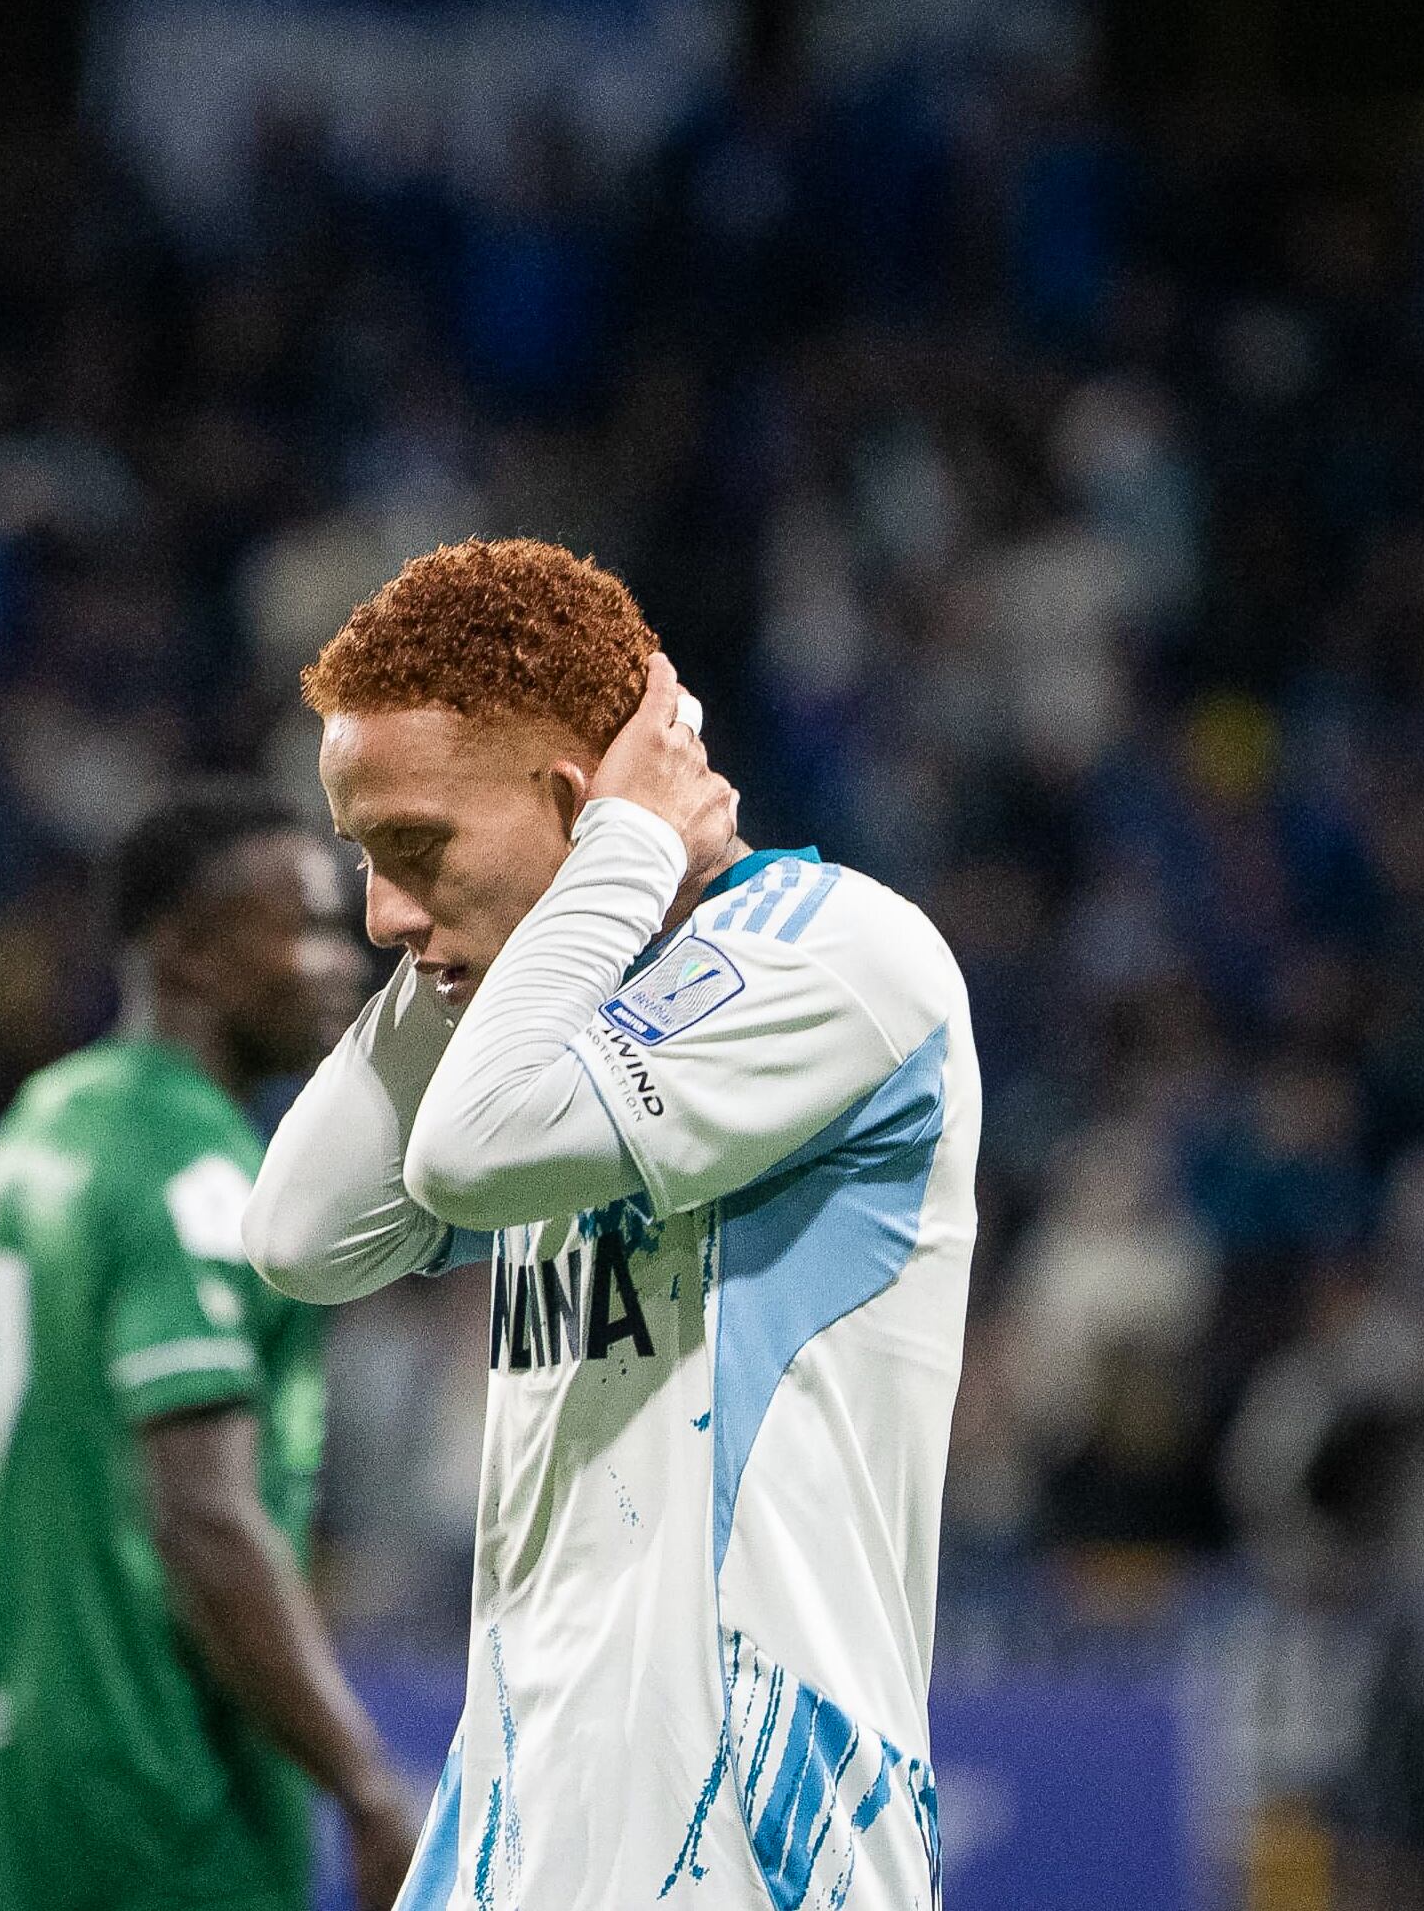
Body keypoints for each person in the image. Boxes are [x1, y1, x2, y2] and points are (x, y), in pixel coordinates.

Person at [246, 540, 977, 1910]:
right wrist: (473, 943)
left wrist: (622, 850)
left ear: (580, 802)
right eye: (361, 856)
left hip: (749, 1841)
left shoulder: (839, 955)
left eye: (416, 851)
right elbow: (299, 1234)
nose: (380, 912)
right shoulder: (542, 1017)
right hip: (521, 1828)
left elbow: (470, 1154)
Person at [0, 782, 426, 1911]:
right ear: (193, 951)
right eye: (304, 926)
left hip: (19, 1754)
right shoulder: (193, 1169)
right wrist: (364, 1785)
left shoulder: (42, 1125)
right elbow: (205, 1515)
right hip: (162, 1775)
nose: (344, 961)